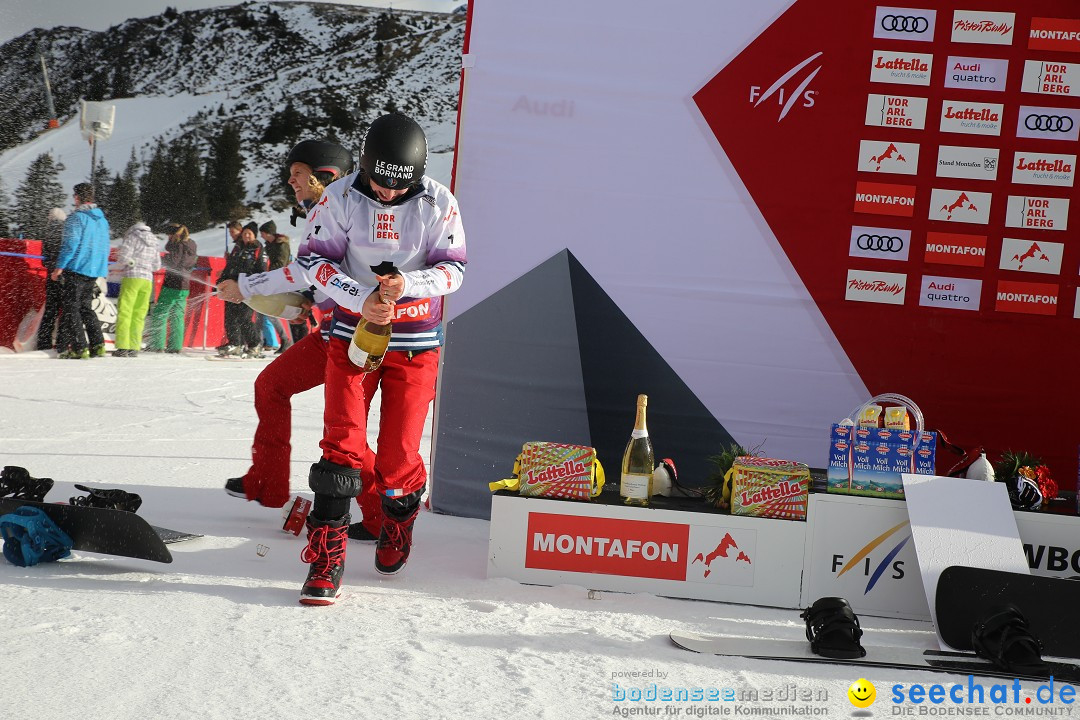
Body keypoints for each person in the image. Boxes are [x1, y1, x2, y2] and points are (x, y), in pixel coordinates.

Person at [218, 114, 466, 605]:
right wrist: (359, 297)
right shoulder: (339, 197)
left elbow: (454, 269)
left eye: (401, 187)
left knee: (397, 459)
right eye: (380, 184)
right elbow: (313, 262)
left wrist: (406, 286)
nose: (390, 195)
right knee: (342, 443)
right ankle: (326, 556)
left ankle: (397, 518)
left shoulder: (440, 202)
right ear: (366, 167)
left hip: (415, 343)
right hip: (351, 339)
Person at [53, 183, 110, 360]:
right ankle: (98, 344)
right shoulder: (101, 219)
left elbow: (70, 245)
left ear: (77, 197)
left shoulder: (77, 218)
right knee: (86, 307)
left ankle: (79, 347)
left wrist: (59, 267)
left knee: (72, 308)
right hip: (94, 270)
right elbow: (105, 246)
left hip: (77, 267)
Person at [110, 222, 161, 358]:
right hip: (147, 280)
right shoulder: (154, 241)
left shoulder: (133, 237)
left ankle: (122, 346)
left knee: (125, 311)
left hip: (132, 277)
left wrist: (129, 262)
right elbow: (157, 265)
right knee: (139, 314)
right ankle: (134, 346)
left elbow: (124, 257)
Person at [216, 221, 268, 356]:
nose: (246, 236)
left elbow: (261, 270)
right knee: (230, 317)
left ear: (254, 235)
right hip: (231, 286)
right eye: (244, 233)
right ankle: (234, 343)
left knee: (245, 318)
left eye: (249, 234)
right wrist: (222, 280)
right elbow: (230, 265)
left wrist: (250, 283)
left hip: (247, 288)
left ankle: (254, 344)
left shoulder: (258, 248)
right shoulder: (238, 247)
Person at [146, 223, 198, 353]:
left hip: (172, 284)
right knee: (177, 316)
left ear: (172, 234)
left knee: (160, 313)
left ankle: (156, 345)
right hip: (184, 286)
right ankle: (175, 346)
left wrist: (162, 259)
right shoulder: (191, 245)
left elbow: (173, 263)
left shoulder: (178, 246)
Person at [35, 207, 67, 351]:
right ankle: (62, 342)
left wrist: (51, 265)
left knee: (50, 310)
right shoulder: (68, 230)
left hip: (51, 275)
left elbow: (44, 258)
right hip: (66, 274)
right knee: (66, 309)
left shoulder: (48, 231)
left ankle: (44, 342)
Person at [259, 220, 294, 354]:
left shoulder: (281, 244)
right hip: (272, 280)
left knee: (274, 312)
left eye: (263, 233)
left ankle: (287, 340)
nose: (261, 236)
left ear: (268, 233)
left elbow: (281, 263)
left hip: (280, 280)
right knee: (269, 312)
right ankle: (285, 339)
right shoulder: (269, 244)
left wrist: (268, 273)